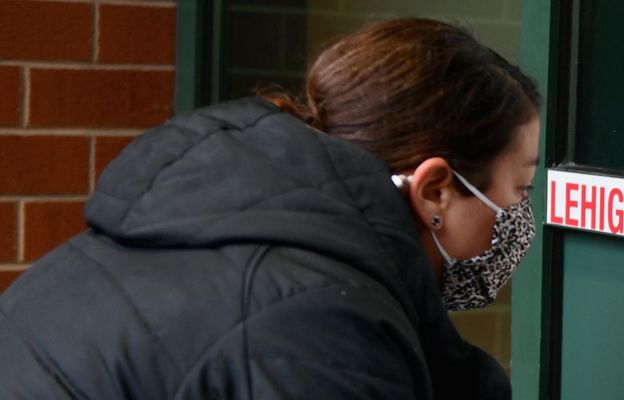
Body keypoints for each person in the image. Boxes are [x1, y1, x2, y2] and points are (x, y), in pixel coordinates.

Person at [0, 18, 538, 399]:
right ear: (435, 191)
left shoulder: (205, 228)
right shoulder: (316, 325)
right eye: (517, 189)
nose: (521, 218)